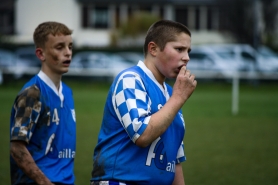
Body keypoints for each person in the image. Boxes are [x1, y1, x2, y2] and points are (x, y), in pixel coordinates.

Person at [91, 20, 197, 185]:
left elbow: (175, 159)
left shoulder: (171, 93)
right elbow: (142, 135)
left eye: (188, 51)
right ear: (153, 49)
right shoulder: (130, 79)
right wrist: (179, 98)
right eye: (179, 49)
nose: (186, 57)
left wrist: (176, 97)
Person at [10, 21, 76, 185]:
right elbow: (17, 147)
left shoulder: (67, 92)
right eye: (59, 47)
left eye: (70, 46)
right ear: (41, 54)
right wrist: (44, 182)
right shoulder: (33, 93)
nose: (68, 53)